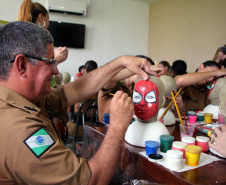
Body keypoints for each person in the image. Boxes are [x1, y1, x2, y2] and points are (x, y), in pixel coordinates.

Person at [0, 21, 157, 184]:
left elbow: (76, 89)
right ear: (22, 65)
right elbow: (92, 180)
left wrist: (121, 62)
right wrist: (117, 127)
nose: (56, 70)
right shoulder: (19, 129)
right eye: (50, 62)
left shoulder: (26, 98)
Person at [17, 0, 68, 87]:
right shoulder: (40, 40)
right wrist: (56, 60)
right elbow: (38, 71)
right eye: (48, 18)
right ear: (41, 17)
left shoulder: (20, 37)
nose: (49, 22)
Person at [97, 55, 158, 122]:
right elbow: (107, 78)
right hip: (106, 130)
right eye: (144, 70)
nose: (146, 76)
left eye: (149, 73)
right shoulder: (115, 85)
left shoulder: (137, 91)